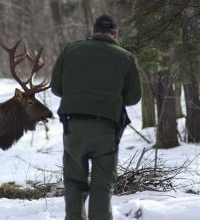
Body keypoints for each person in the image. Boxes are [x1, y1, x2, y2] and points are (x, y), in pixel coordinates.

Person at [50, 15, 141, 220]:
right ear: (115, 34)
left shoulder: (71, 50)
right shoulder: (125, 56)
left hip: (74, 128)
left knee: (74, 182)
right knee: (102, 185)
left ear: (94, 31)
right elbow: (134, 97)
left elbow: (56, 88)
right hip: (106, 129)